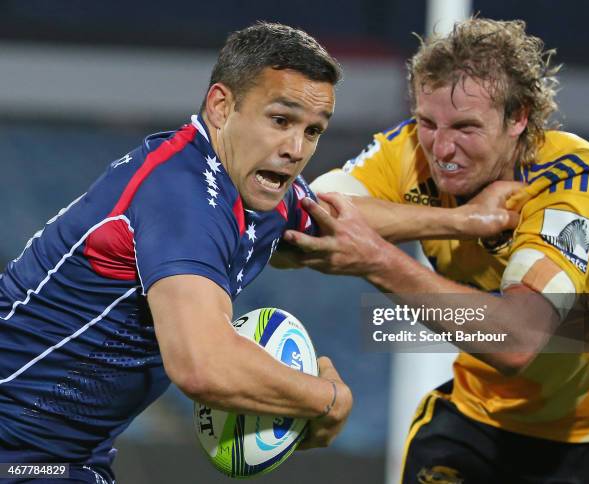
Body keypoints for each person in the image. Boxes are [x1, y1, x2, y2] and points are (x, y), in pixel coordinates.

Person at [0, 22, 354, 483]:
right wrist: (327, 400)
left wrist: (466, 219)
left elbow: (345, 221)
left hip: (65, 457)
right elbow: (204, 364)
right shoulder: (182, 195)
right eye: (281, 120)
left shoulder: (251, 185)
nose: (295, 149)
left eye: (313, 131)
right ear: (222, 107)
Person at [283, 18, 589, 483]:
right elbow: (304, 219)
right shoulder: (406, 154)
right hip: (477, 424)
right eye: (426, 122)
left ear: (518, 117)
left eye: (465, 127)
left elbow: (520, 338)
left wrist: (378, 259)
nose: (441, 148)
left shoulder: (572, 179)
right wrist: (460, 220)